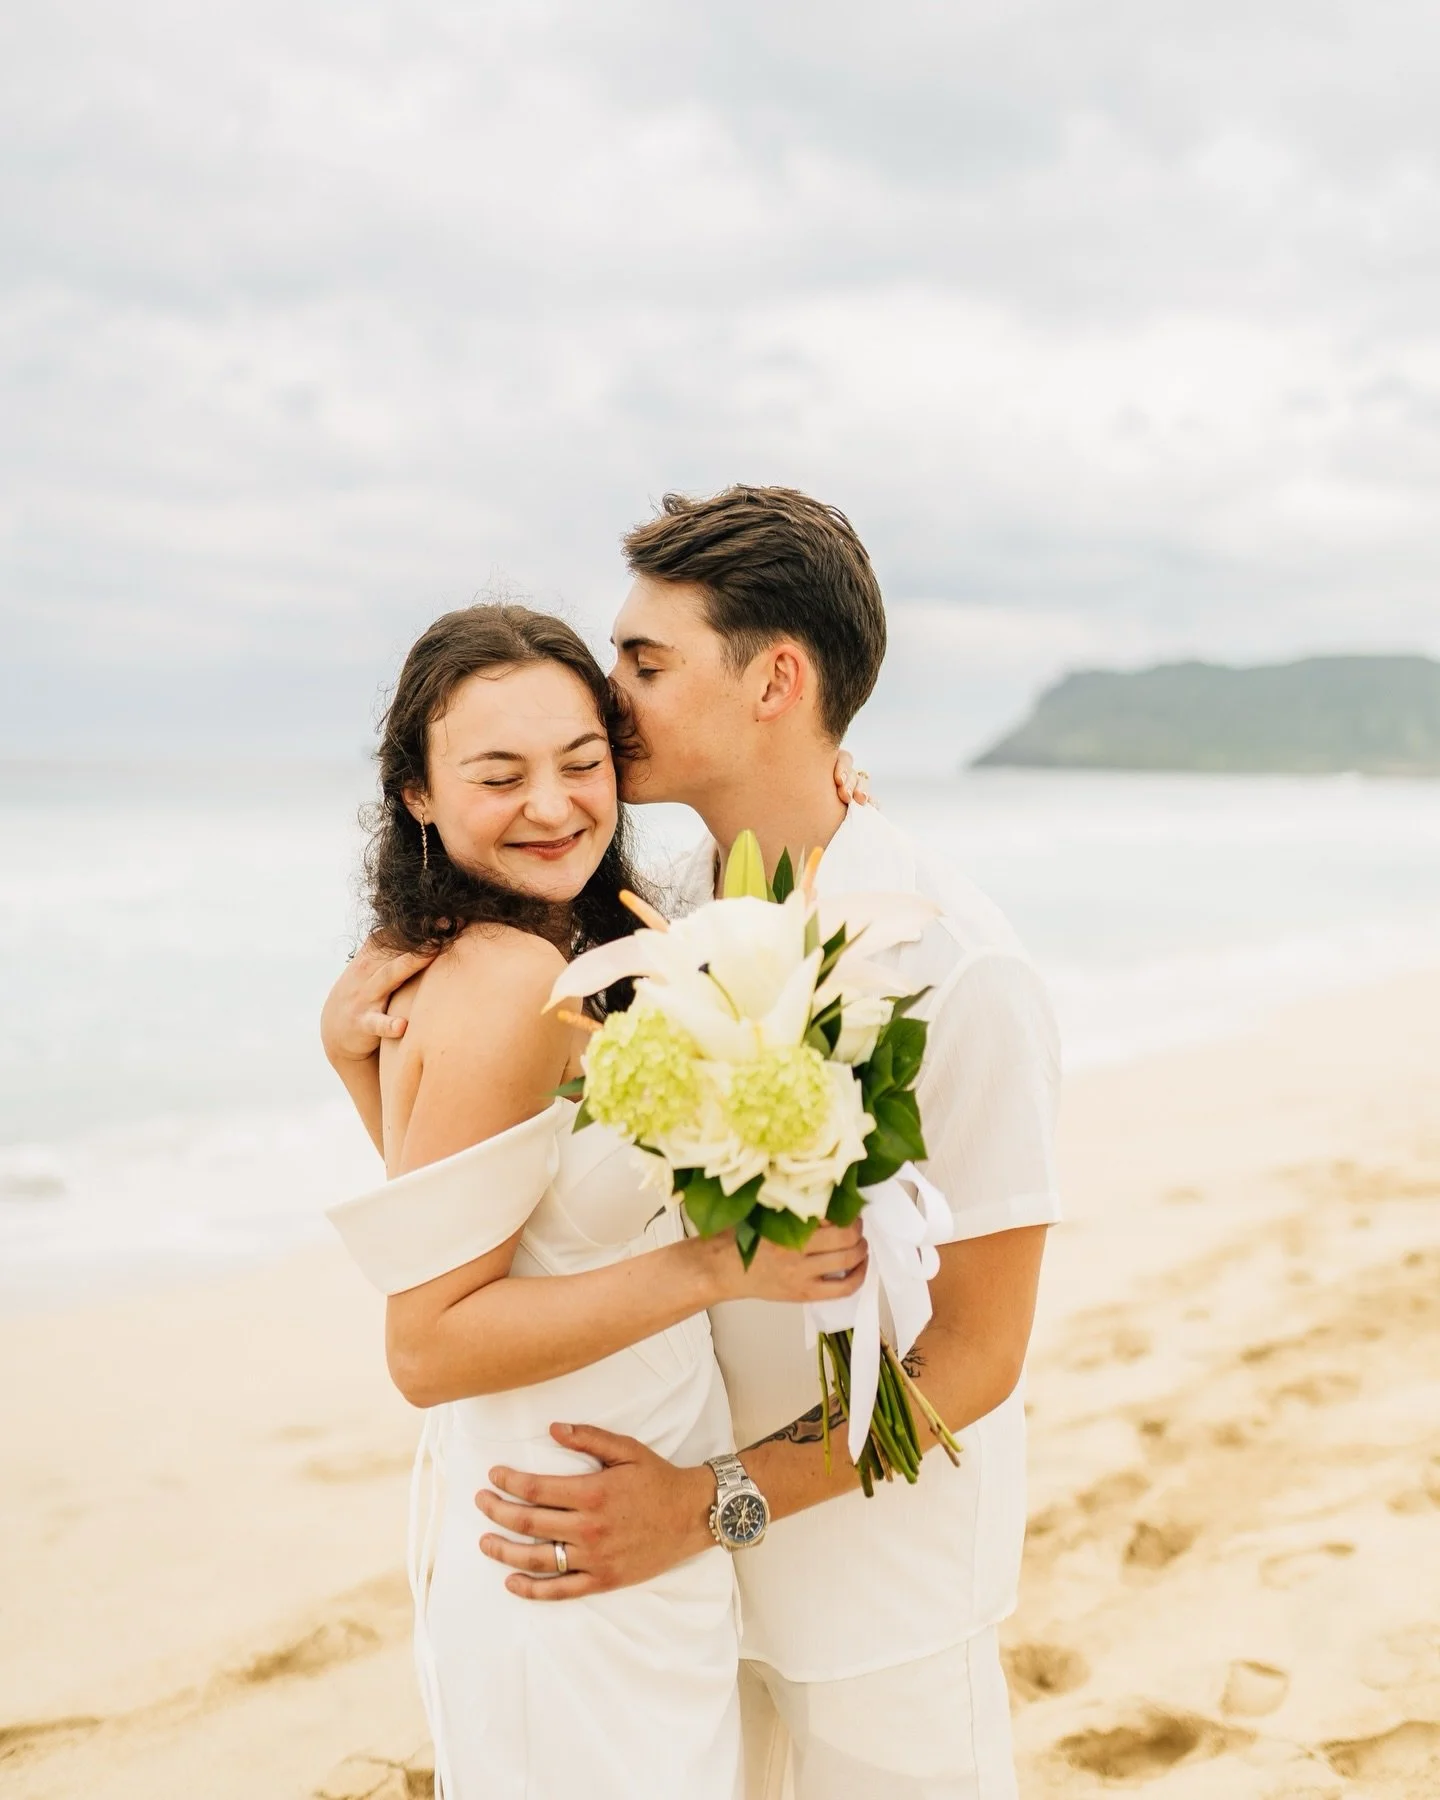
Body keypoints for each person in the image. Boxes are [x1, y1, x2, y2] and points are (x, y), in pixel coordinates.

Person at [326, 486, 1062, 1800]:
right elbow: (514, 1208)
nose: (607, 704)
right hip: (654, 1570)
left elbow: (979, 1355)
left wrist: (715, 1496)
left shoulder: (959, 968)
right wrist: (362, 1063)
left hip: (864, 1594)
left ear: (777, 680)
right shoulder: (660, 917)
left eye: (643, 665)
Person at [322, 602, 869, 1800]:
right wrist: (723, 1266)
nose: (555, 805)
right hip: (559, 1533)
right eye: (498, 775)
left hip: (622, 1516)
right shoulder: (502, 976)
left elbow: (497, 1230)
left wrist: (351, 1066)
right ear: (417, 791)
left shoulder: (575, 948)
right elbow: (428, 1342)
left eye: (582, 764)